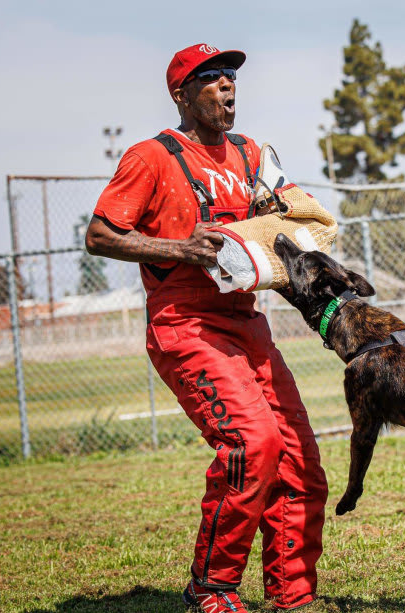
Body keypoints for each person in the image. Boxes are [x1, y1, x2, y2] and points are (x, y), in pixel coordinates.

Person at [85, 43, 328, 613]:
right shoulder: (151, 156)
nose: (226, 86)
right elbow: (100, 234)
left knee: (299, 460)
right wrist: (180, 249)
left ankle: (292, 595)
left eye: (230, 78)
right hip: (185, 324)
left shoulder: (250, 155)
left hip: (246, 322)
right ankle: (210, 591)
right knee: (252, 444)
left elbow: (282, 227)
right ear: (182, 94)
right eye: (211, 79)